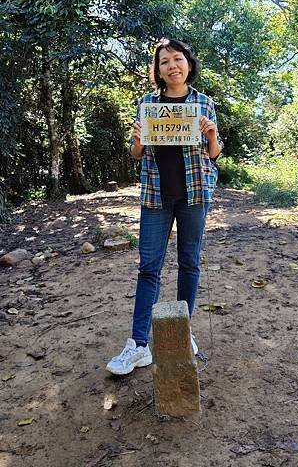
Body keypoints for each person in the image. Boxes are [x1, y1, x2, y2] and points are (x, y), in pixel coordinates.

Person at [106, 38, 223, 375]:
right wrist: (138, 141)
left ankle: (184, 333)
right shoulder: (148, 104)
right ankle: (138, 345)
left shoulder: (203, 103)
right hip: (156, 196)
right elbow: (135, 154)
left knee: (189, 263)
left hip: (195, 194)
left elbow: (214, 154)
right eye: (164, 62)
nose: (172, 66)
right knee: (149, 267)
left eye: (178, 59)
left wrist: (212, 135)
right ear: (157, 71)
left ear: (188, 63)